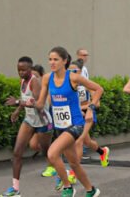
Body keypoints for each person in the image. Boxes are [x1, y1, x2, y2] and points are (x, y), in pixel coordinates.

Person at [34, 47, 103, 197]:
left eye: (56, 59)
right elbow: (40, 103)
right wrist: (25, 103)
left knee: (52, 154)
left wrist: (90, 108)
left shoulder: (73, 78)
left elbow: (98, 89)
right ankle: (91, 190)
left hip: (75, 124)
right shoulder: (47, 78)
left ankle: (68, 187)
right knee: (74, 163)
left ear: (64, 61)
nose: (52, 62)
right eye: (50, 59)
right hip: (60, 126)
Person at [1, 56, 54, 197]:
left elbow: (38, 104)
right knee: (17, 153)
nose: (21, 72)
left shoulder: (34, 82)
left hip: (43, 121)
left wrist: (17, 102)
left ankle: (65, 175)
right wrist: (17, 111)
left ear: (30, 69)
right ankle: (15, 189)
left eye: (24, 70)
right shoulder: (22, 81)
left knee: (48, 154)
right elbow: (25, 99)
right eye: (19, 70)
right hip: (29, 120)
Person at [70, 61, 110, 168]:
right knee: (87, 142)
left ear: (80, 71)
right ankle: (102, 152)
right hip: (76, 115)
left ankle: (74, 172)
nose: (72, 73)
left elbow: (97, 103)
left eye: (74, 71)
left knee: (79, 141)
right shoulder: (68, 85)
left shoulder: (85, 84)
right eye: (69, 71)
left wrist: (84, 108)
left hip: (88, 114)